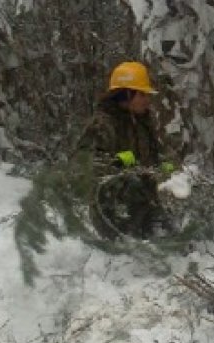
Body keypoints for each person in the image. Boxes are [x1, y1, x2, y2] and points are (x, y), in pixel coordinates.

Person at [73, 61, 175, 239]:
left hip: (145, 205)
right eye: (141, 94)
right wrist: (115, 162)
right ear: (126, 94)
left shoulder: (143, 124)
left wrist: (166, 166)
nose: (147, 100)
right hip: (112, 211)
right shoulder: (102, 125)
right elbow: (81, 166)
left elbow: (154, 157)